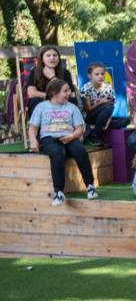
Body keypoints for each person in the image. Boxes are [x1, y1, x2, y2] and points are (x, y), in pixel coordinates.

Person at [28, 78, 98, 206]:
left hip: (69, 137)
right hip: (49, 139)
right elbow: (33, 128)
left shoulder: (72, 107)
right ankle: (59, 192)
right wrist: (33, 140)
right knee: (57, 153)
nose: (68, 93)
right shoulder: (41, 107)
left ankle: (90, 186)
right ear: (54, 93)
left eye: (69, 90)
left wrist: (72, 136)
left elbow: (80, 129)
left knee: (80, 151)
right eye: (65, 91)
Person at [26, 45, 76, 119]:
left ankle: (68, 124)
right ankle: (38, 126)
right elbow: (31, 93)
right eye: (48, 55)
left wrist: (53, 78)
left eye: (55, 55)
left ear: (58, 58)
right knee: (35, 101)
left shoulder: (65, 72)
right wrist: (52, 97)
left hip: (62, 101)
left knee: (71, 101)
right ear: (42, 59)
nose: (52, 58)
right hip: (42, 100)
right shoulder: (34, 72)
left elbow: (69, 92)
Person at [80, 62, 116, 145]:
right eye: (97, 74)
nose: (100, 76)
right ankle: (95, 135)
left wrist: (107, 123)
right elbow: (88, 110)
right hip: (90, 116)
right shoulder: (85, 88)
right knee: (107, 107)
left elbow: (112, 107)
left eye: (102, 74)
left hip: (104, 115)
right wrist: (100, 102)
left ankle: (95, 130)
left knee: (125, 120)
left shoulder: (108, 88)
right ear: (89, 76)